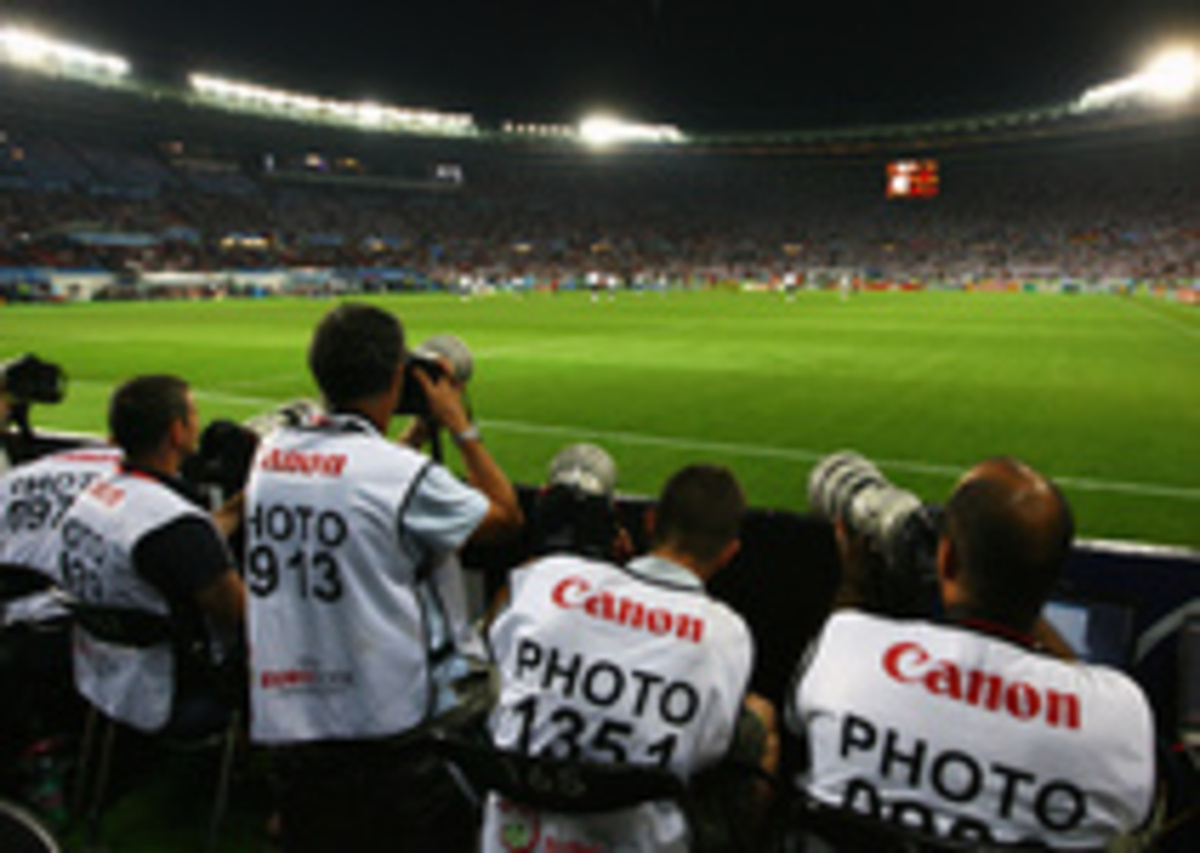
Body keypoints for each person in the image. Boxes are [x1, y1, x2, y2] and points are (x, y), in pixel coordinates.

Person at [244, 302, 523, 852]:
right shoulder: (402, 478)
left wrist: (415, 431)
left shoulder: (271, 456)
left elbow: (356, 480)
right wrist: (460, 427)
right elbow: (505, 518)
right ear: (398, 376)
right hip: (388, 722)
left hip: (295, 718)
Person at [785, 456, 1157, 848]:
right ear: (1053, 579)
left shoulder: (846, 647)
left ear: (946, 559)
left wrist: (855, 583)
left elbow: (798, 725)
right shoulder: (1117, 717)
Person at [484, 463, 778, 853]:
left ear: (650, 521)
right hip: (642, 840)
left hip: (512, 839)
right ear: (729, 553)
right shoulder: (725, 633)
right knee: (757, 721)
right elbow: (705, 754)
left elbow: (491, 641)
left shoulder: (548, 577)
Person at [57, 375, 246, 738]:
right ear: (176, 431)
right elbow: (242, 614)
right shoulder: (173, 526)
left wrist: (245, 500)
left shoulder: (99, 494)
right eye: (194, 415)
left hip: (104, 676)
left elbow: (187, 545)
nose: (198, 423)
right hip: (174, 688)